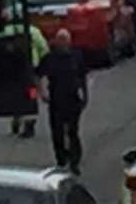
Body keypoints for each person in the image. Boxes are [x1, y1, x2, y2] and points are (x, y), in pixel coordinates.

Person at [35, 27, 88, 174]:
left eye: (66, 40)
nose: (64, 44)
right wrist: (42, 93)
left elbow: (82, 77)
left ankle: (74, 161)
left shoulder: (76, 56)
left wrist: (85, 95)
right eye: (61, 40)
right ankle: (61, 159)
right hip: (56, 100)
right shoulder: (49, 58)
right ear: (56, 42)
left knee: (72, 131)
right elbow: (37, 75)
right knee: (57, 132)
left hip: (73, 99)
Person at [0, 7, 49, 137]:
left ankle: (16, 119)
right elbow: (44, 49)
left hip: (12, 71)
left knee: (14, 95)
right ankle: (30, 124)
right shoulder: (33, 31)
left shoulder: (5, 32)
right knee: (31, 95)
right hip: (31, 70)